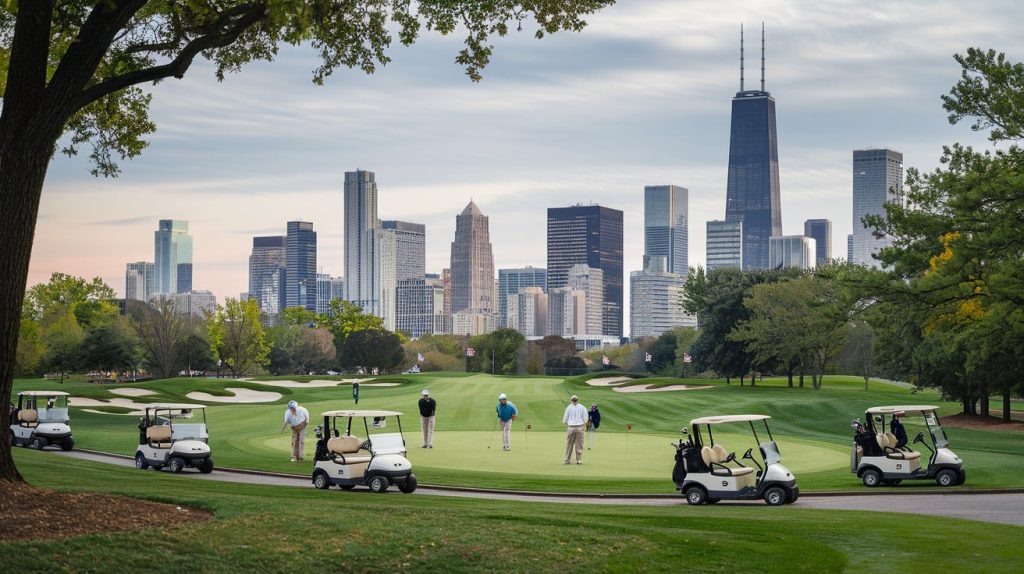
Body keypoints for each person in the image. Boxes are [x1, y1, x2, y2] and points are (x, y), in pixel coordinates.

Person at [563, 395, 587, 464]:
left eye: (574, 400)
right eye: (574, 400)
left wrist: (569, 424)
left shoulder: (569, 407)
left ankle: (569, 460)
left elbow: (565, 420)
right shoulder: (582, 407)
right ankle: (576, 460)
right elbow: (585, 419)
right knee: (577, 444)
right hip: (578, 427)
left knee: (575, 444)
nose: (574, 401)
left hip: (573, 427)